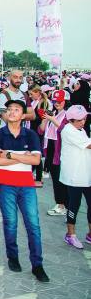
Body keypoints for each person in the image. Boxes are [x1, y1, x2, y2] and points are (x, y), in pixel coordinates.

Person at [0, 99, 48, 282]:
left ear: (23, 116)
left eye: (16, 109)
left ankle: (37, 264)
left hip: (26, 184)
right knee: (11, 222)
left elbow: (37, 161)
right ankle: (12, 256)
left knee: (33, 224)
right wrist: (23, 157)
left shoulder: (30, 135)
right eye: (9, 109)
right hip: (5, 183)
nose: (12, 112)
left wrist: (10, 155)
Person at [59, 105, 91, 249]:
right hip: (74, 175)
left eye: (84, 119)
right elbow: (88, 145)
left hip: (86, 174)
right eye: (79, 120)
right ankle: (70, 234)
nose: (83, 122)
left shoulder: (81, 130)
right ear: (71, 119)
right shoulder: (68, 131)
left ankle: (90, 234)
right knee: (74, 204)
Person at [40, 90, 69, 216]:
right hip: (50, 148)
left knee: (61, 180)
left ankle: (66, 205)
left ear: (65, 101)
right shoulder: (54, 114)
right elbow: (41, 131)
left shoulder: (67, 115)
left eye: (59, 101)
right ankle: (60, 204)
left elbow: (65, 130)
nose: (57, 104)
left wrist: (52, 119)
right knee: (55, 179)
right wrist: (46, 120)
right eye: (55, 101)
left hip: (61, 150)